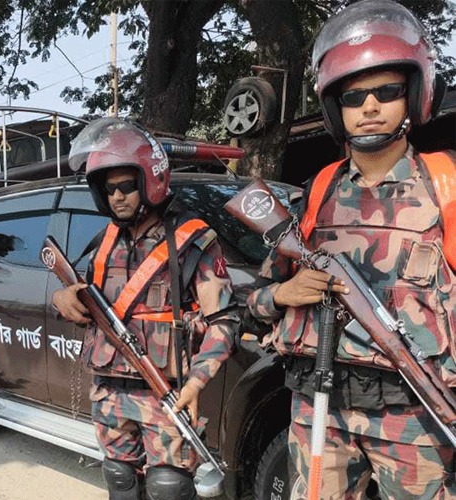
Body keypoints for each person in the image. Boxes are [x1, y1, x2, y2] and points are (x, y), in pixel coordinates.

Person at [246, 1, 455, 498]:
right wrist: (284, 294)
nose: (370, 107)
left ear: (416, 94)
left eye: (387, 91)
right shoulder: (317, 193)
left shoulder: (445, 186)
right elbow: (256, 299)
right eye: (353, 95)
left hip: (414, 415)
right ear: (334, 108)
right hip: (317, 406)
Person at [51, 118, 237, 500]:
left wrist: (197, 381)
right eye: (109, 189)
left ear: (150, 181)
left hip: (165, 389)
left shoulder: (192, 241)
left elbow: (224, 322)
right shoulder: (103, 242)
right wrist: (62, 299)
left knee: (168, 486)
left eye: (126, 186)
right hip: (108, 389)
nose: (117, 197)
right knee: (119, 477)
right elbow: (82, 297)